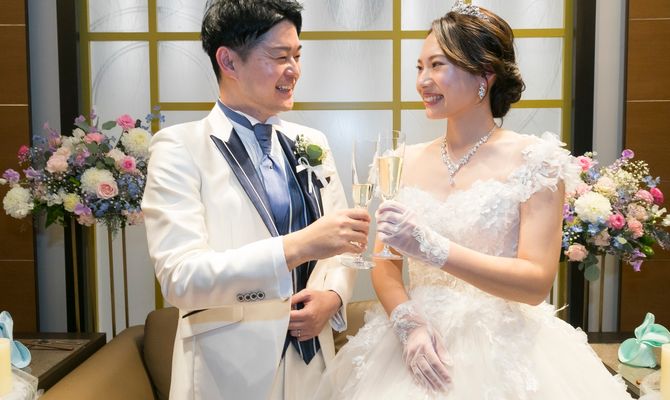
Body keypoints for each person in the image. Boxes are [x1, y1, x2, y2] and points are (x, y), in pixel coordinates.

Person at [315, 2, 634, 399]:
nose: (423, 81)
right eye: (419, 67)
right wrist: (407, 323)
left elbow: (535, 282)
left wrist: (434, 248)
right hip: (412, 344)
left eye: (437, 65)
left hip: (504, 347)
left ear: (485, 73)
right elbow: (385, 264)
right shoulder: (401, 161)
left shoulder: (538, 162)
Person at [141, 1, 371, 398]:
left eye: (297, 56)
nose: (294, 70)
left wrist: (333, 297)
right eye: (279, 57)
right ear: (228, 61)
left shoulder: (311, 142)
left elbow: (341, 243)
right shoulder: (179, 148)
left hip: (313, 366)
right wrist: (298, 245)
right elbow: (181, 278)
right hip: (226, 372)